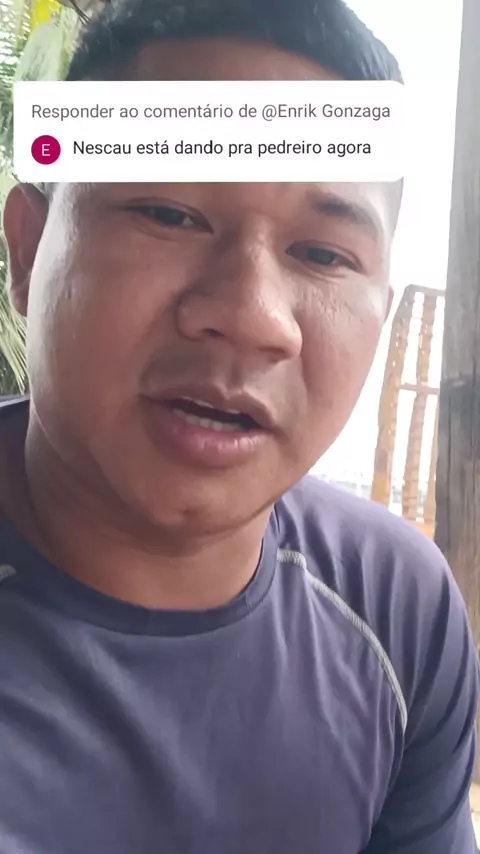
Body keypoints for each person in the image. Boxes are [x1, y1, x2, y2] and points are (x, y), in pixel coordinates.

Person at [1, 0, 478, 851]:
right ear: (29, 250)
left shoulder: (398, 608)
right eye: (169, 212)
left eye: (323, 254)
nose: (254, 315)